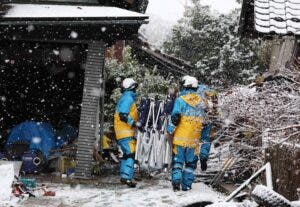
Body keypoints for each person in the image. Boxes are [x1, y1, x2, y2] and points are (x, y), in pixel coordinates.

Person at [167, 76, 206, 191]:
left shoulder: (180, 100)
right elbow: (205, 123)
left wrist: (169, 130)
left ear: (185, 86)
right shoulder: (202, 103)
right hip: (194, 141)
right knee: (190, 165)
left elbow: (175, 118)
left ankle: (176, 182)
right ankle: (187, 186)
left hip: (180, 138)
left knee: (178, 162)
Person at [114, 78, 139, 188]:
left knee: (126, 155)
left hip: (122, 132)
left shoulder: (125, 98)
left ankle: (124, 177)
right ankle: (128, 179)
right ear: (132, 87)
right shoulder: (128, 98)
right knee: (130, 154)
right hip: (126, 132)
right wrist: (133, 124)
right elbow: (123, 115)